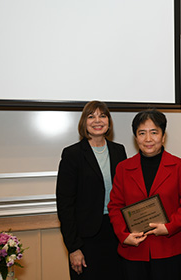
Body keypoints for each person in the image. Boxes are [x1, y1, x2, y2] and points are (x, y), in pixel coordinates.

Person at [108, 109, 181, 280]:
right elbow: (115, 206)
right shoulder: (123, 168)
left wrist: (169, 227)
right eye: (142, 133)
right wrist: (123, 235)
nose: (148, 139)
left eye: (154, 132)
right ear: (136, 137)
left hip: (169, 248)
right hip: (134, 249)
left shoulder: (178, 166)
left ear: (163, 136)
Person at [56, 100, 127, 279]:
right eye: (91, 116)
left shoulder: (119, 151)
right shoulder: (72, 154)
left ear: (109, 121)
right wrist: (73, 248)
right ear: (84, 122)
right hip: (86, 238)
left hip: (117, 231)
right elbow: (65, 205)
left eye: (102, 115)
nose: (97, 120)